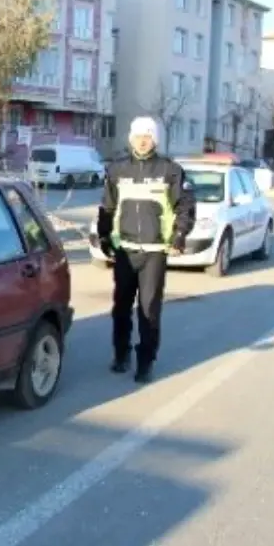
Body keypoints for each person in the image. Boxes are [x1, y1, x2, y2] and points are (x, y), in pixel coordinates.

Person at [95, 116, 195, 383]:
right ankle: (121, 353)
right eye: (138, 135)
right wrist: (104, 238)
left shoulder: (170, 170)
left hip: (154, 251)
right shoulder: (117, 170)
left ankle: (145, 361)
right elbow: (107, 208)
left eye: (148, 136)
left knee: (149, 309)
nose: (142, 140)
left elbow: (184, 207)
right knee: (121, 307)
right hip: (125, 250)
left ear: (155, 140)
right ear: (131, 139)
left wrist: (179, 237)